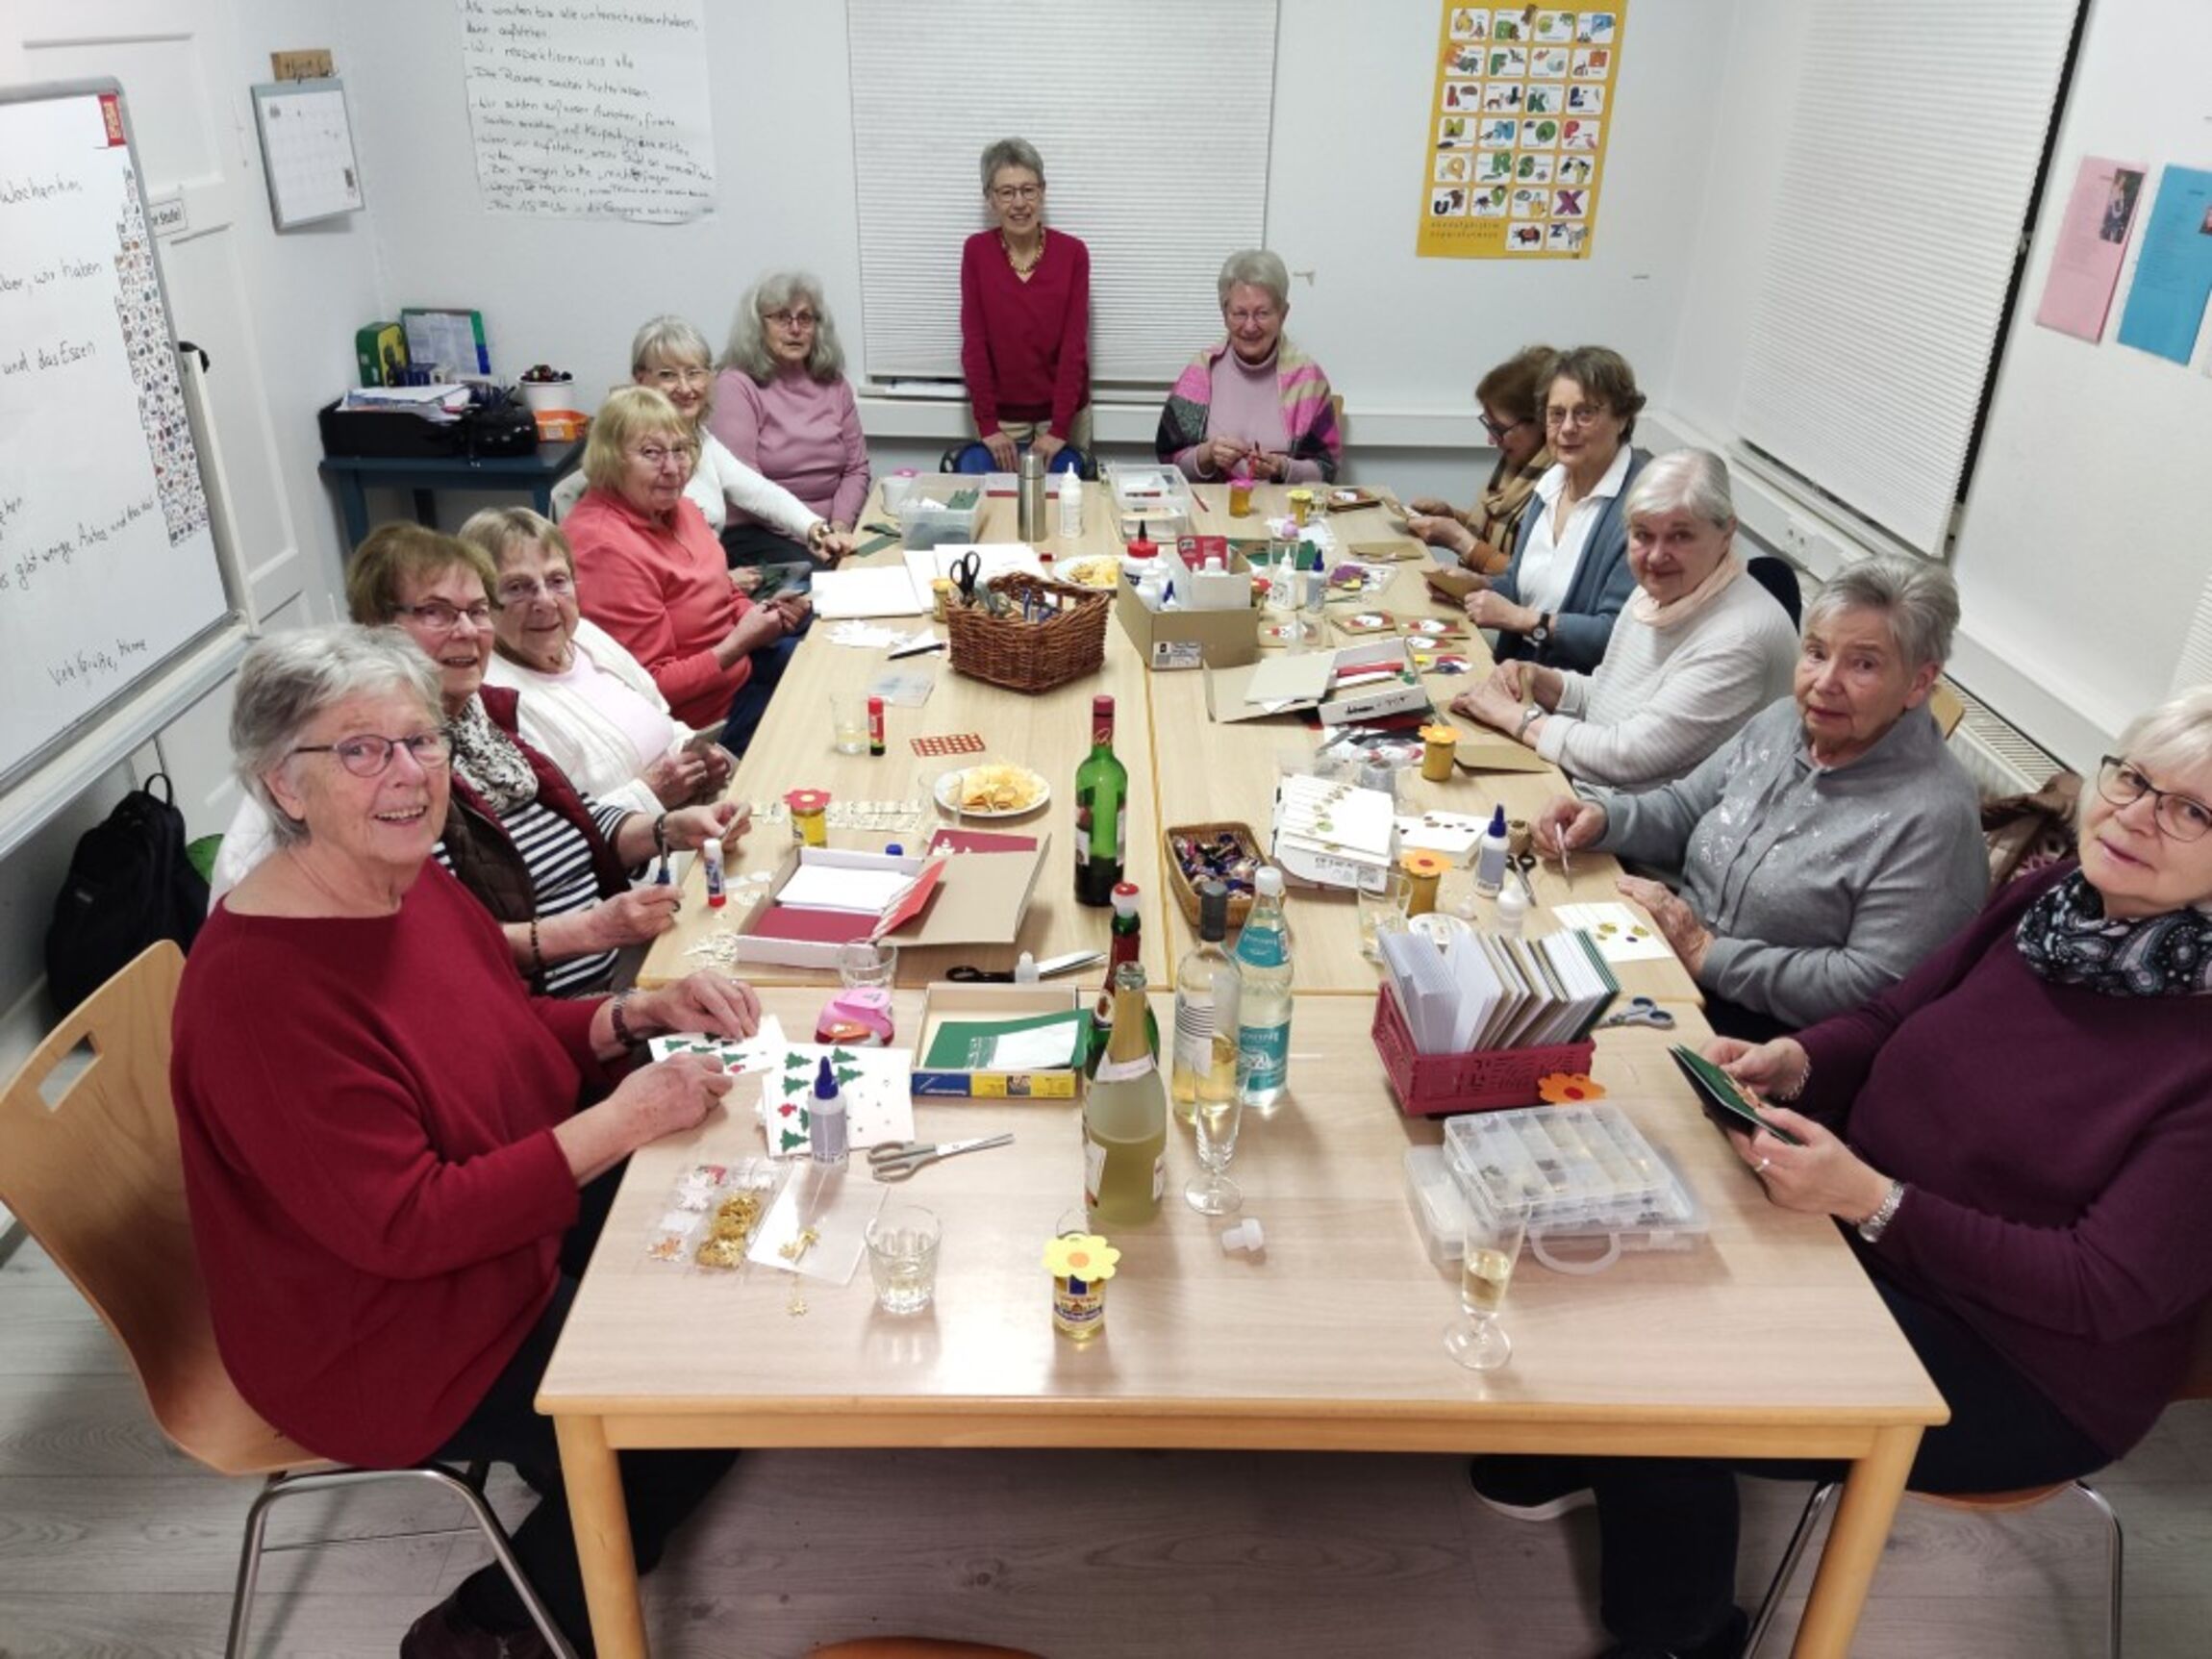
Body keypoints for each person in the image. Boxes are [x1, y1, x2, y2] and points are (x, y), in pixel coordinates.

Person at [1478, 686, 2212, 1659]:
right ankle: (1588, 1449)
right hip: (1873, 1224)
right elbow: (1890, 1016)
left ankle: (1683, 1636)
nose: (2134, 814)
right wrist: (1793, 1060)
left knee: (1663, 1372)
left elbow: (2102, 1288)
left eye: (2190, 810)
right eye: (2132, 778)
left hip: (2022, 1360)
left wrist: (1872, 1202)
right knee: (1613, 1213)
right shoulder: (2050, 904)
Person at [175, 624, 761, 1659]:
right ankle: (484, 1628)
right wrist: (624, 1116)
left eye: (421, 740)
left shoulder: (401, 880)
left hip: (489, 1224)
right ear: (284, 785)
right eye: (361, 750)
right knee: (692, 1406)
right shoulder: (256, 993)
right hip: (375, 1331)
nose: (409, 775)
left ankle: (580, 1460)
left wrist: (632, 1014)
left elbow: (494, 1034)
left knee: (722, 1233)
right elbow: (406, 1224)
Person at [211, 524, 746, 997]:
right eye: (437, 612)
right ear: (376, 627)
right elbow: (432, 949)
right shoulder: (386, 780)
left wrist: (667, 829)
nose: (467, 631)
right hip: (554, 1000)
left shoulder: (481, 718)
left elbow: (577, 817)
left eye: (476, 611)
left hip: (608, 979)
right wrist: (591, 932)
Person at [1534, 556, 1984, 1037]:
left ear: (1919, 682)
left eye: (1864, 664)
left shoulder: (1935, 818)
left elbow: (1869, 984)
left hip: (1766, 1040)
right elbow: (1685, 809)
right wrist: (1603, 818)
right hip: (1670, 967)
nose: (1825, 682)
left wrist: (1707, 953)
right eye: (1816, 652)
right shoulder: (1783, 721)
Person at [1448, 450, 1797, 790]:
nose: (1656, 556)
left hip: (1638, 822)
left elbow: (1627, 756)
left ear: (1726, 533)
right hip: (1599, 796)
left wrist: (1513, 716)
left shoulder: (1740, 638)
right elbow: (1608, 699)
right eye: (1642, 534)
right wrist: (1543, 681)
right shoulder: (1657, 590)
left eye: (1680, 536)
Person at [565, 386, 812, 751]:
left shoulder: (679, 509)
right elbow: (650, 687)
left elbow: (723, 591)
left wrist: (762, 616)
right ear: (610, 459)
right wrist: (741, 641)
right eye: (651, 453)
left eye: (680, 450)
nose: (673, 468)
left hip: (740, 670)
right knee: (819, 730)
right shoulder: (603, 548)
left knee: (834, 664)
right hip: (702, 723)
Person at [464, 507, 734, 816]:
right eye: (517, 588)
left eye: (557, 580)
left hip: (692, 811)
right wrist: (649, 795)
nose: (546, 602)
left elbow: (662, 720)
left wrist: (700, 757)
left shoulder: (585, 636)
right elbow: (550, 829)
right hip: (647, 839)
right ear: (480, 604)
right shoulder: (493, 702)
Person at [592, 315, 853, 591]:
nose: (685, 387)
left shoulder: (699, 438)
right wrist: (723, 582)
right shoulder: (632, 454)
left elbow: (760, 492)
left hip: (706, 579)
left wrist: (818, 530)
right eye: (667, 375)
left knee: (822, 588)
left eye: (694, 373)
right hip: (681, 593)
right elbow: (651, 563)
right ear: (640, 379)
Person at [1465, 344, 1649, 672]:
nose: (1567, 428)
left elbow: (1614, 636)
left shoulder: (1641, 508)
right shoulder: (1550, 483)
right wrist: (1474, 585)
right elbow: (1523, 587)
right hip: (1515, 673)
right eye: (1556, 414)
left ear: (1622, 418)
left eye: (1585, 413)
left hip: (1574, 690)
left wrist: (1523, 620)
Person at [707, 270, 871, 568]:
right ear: (758, 326)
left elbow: (856, 469)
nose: (795, 328)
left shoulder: (835, 384)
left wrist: (840, 527)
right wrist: (811, 534)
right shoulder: (736, 385)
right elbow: (748, 488)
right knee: (825, 585)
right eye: (782, 317)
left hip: (829, 532)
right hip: (759, 530)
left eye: (805, 318)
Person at [1156, 248, 1343, 487]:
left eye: (1262, 313)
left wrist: (1283, 468)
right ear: (1225, 314)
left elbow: (1327, 469)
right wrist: (1207, 455)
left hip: (1283, 508)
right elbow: (1168, 461)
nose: (1250, 326)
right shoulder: (1202, 371)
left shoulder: (1307, 379)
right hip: (1214, 507)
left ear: (1283, 314)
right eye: (1239, 314)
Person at [961, 137, 1091, 469]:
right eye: (1007, 192)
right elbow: (974, 344)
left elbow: (1074, 347)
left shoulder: (1073, 254)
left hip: (1063, 417)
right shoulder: (976, 252)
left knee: (1068, 499)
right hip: (1001, 420)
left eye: (1028, 190)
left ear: (1043, 192)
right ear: (990, 198)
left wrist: (1059, 428)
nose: (1019, 203)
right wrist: (988, 425)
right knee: (1000, 500)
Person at [1405, 344, 1556, 574]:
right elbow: (1491, 534)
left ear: (1541, 422)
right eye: (1489, 426)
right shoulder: (1515, 468)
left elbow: (1530, 578)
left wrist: (1458, 540)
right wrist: (1450, 516)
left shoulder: (1559, 486)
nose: (1491, 440)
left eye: (1499, 429)